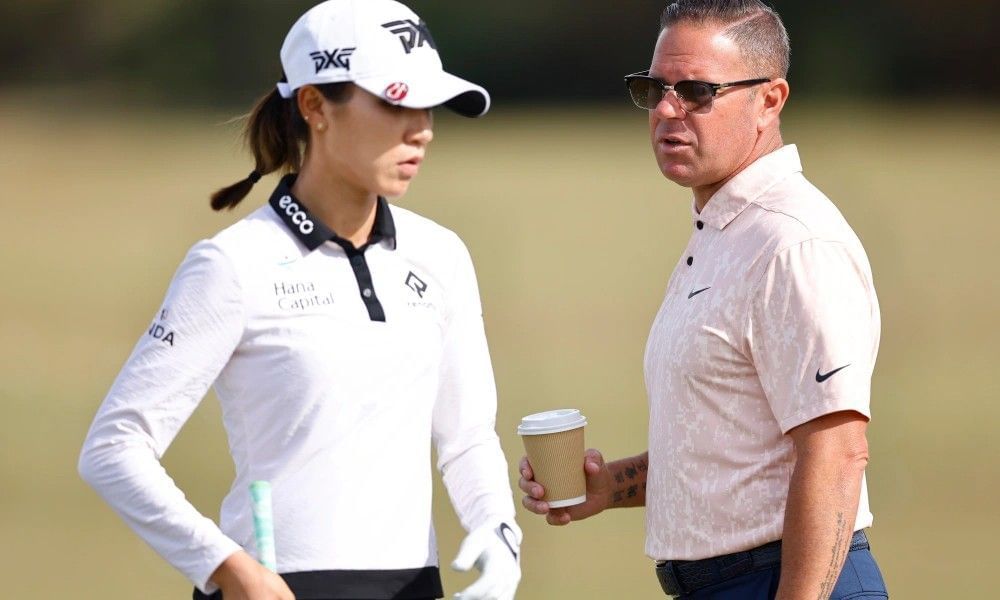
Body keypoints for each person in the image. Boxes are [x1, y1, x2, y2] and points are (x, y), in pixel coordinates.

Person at [78, 1, 522, 599]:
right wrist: (228, 567)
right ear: (314, 105)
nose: (421, 128)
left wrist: (498, 534)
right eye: (394, 102)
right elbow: (114, 447)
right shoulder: (233, 264)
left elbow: (468, 436)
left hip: (416, 586)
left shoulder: (440, 255)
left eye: (427, 105)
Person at [519, 1, 889, 598]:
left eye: (696, 91)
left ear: (770, 99)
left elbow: (838, 452)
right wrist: (610, 487)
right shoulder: (724, 232)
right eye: (655, 87)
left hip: (785, 579)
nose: (666, 109)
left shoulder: (794, 241)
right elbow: (729, 450)